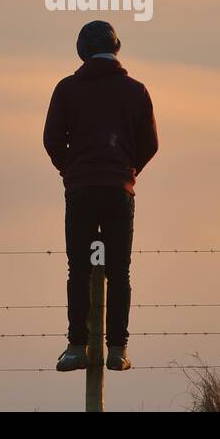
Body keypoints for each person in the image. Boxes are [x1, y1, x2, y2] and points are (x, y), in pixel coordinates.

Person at [43, 20, 158, 372]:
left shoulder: (66, 89)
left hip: (80, 191)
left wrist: (71, 170)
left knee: (78, 269)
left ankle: (76, 346)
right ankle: (118, 349)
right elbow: (150, 144)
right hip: (118, 191)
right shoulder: (136, 91)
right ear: (117, 48)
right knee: (119, 271)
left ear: (82, 50)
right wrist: (128, 170)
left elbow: (51, 140)